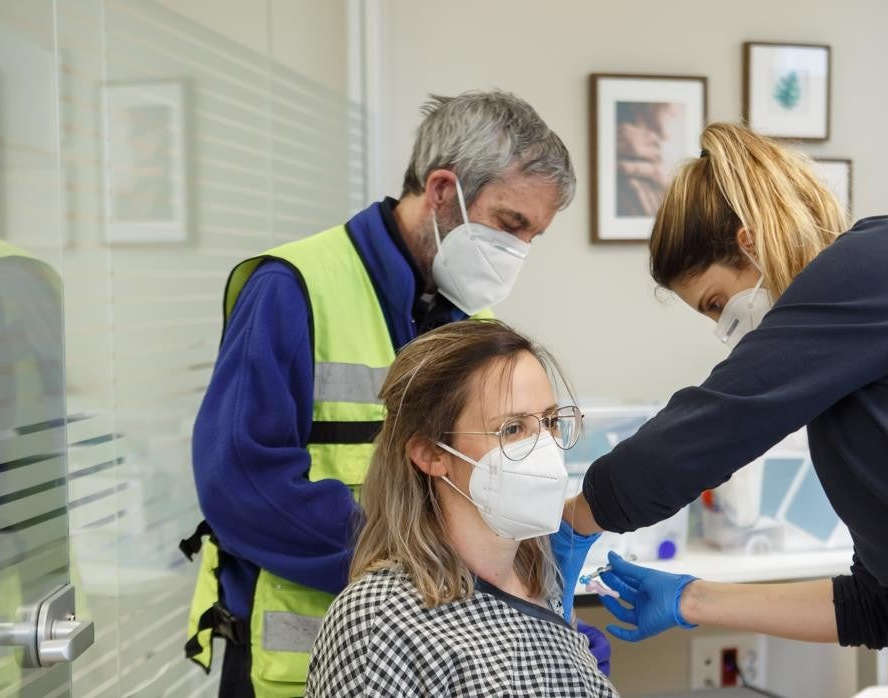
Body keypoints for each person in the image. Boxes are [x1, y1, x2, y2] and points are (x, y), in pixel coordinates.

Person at [567, 122, 888, 697]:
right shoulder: (876, 329)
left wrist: (575, 519)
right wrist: (693, 598)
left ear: (750, 241)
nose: (726, 329)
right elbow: (875, 603)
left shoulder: (880, 260)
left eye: (717, 303)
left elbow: (715, 423)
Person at [181, 90, 608, 697]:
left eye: (532, 236)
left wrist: (540, 623)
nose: (518, 252)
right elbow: (243, 485)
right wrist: (422, 578)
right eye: (510, 225)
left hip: (441, 647)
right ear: (440, 191)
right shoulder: (292, 288)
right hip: (295, 662)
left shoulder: (477, 330)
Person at [305, 320, 616, 697]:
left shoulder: (540, 578)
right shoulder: (381, 621)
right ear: (432, 454)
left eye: (550, 421)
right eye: (512, 429)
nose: (545, 449)